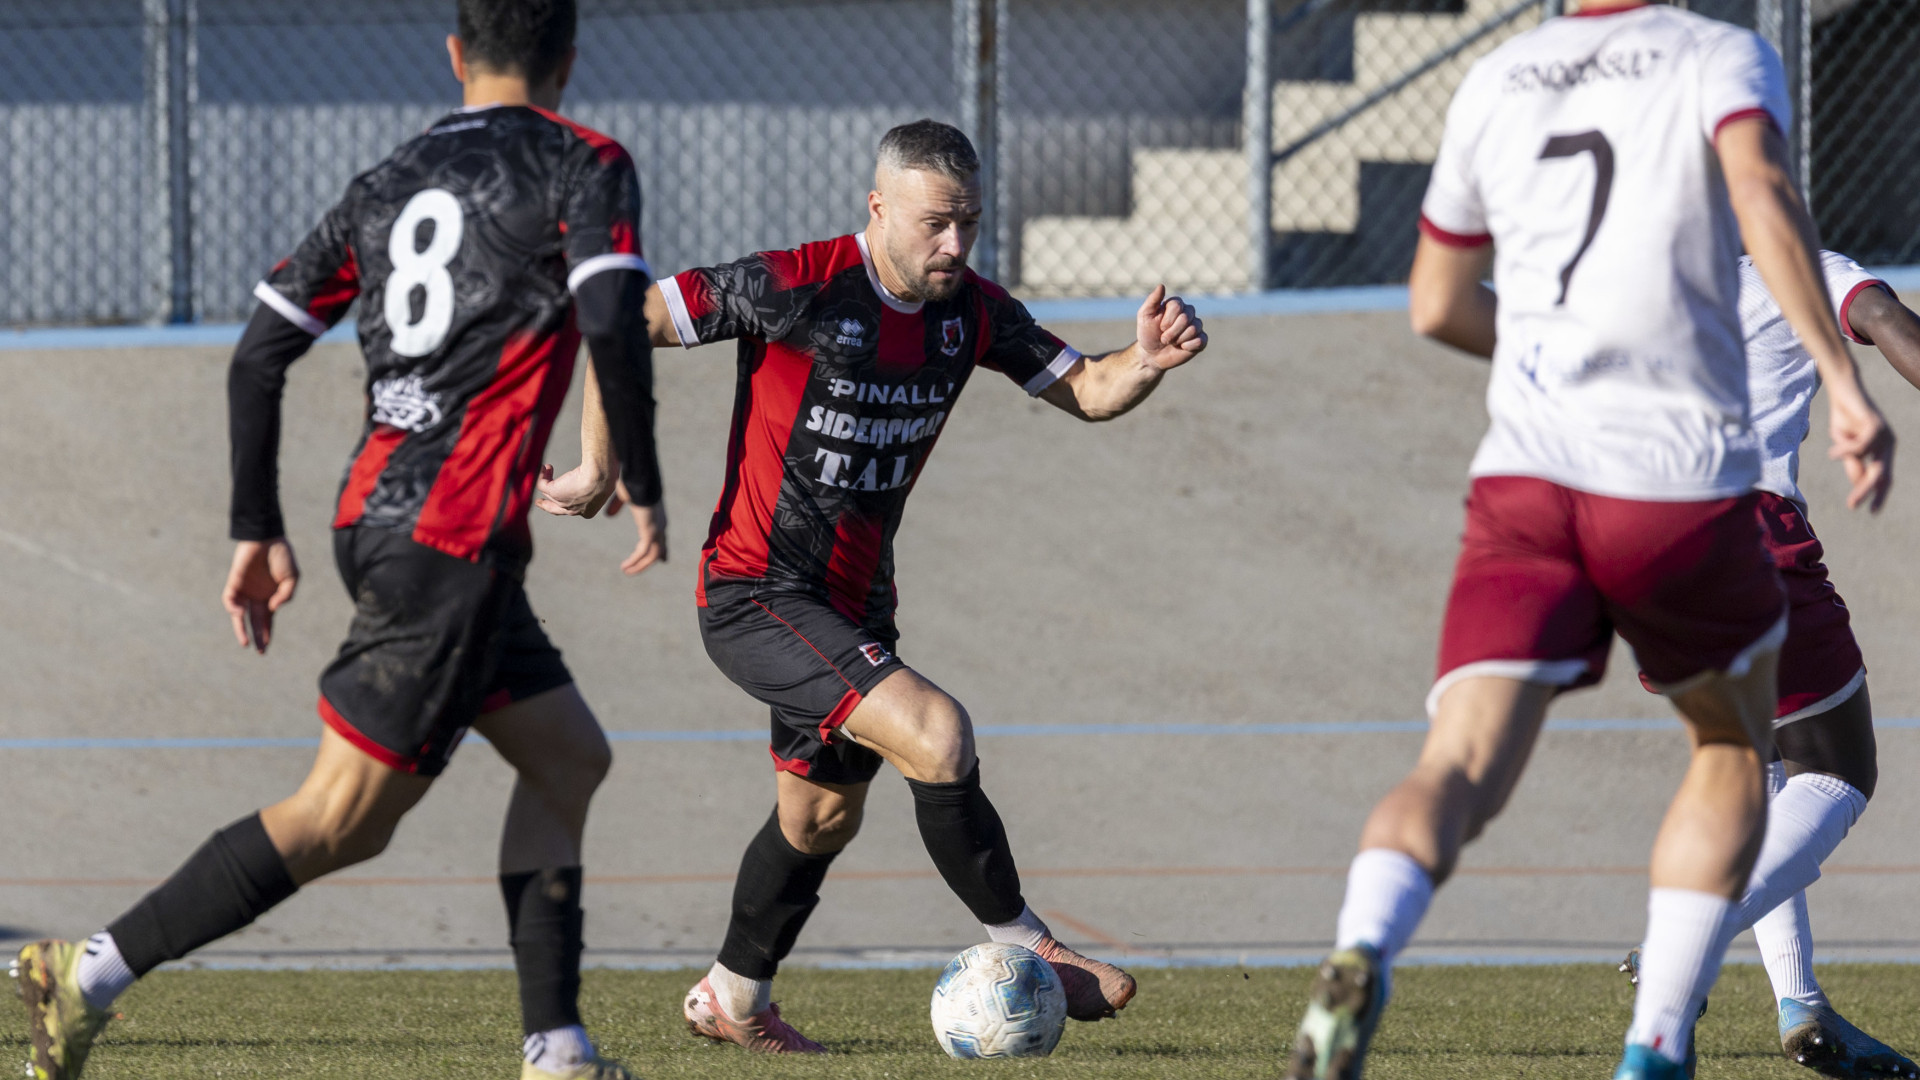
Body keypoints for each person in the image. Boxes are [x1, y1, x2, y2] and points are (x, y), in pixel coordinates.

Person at [11, 3, 663, 1078]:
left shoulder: (388, 177)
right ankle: (81, 976)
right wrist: (636, 470)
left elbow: (257, 353)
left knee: (567, 757)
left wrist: (253, 529)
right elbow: (608, 319)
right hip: (451, 538)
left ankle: (556, 1047)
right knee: (340, 819)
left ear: (455, 56)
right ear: (568, 62)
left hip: (382, 517)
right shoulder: (582, 160)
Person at [1282, 3, 1895, 1079]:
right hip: (1682, 485)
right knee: (1759, 756)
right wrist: (1842, 384)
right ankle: (1656, 1041)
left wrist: (1565, 355)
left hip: (1525, 476)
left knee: (1459, 763)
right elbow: (1762, 197)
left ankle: (1364, 942)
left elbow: (1434, 303)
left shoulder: (1497, 76)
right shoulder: (1720, 55)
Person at [553, 118, 1205, 1053]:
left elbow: (1090, 389)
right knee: (938, 734)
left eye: (970, 223)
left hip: (855, 607)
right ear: (878, 207)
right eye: (936, 223)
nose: (955, 244)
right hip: (757, 592)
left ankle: (732, 999)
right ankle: (1029, 942)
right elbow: (618, 320)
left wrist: (1144, 359)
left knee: (818, 817)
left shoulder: (972, 310)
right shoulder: (797, 284)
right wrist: (596, 463)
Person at [1616, 253, 1916, 1080]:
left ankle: (1802, 1005)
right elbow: (1892, 328)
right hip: (1744, 533)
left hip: (1637, 545)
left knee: (1761, 776)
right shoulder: (1798, 266)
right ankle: (1685, 938)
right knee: (1838, 768)